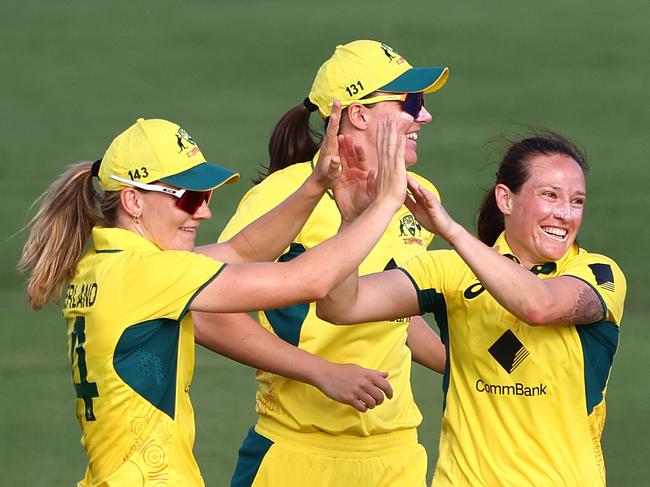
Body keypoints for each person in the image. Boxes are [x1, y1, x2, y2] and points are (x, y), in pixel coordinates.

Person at [17, 114, 409, 486]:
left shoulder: (106, 266)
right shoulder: (149, 276)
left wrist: (315, 185)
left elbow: (243, 250)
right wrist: (385, 204)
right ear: (133, 201)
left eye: (205, 195)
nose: (204, 212)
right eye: (188, 198)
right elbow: (311, 281)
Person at [317, 132, 627, 486]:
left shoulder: (599, 275)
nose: (564, 214)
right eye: (550, 196)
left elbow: (538, 305)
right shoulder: (450, 272)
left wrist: (451, 231)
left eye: (577, 201)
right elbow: (339, 306)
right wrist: (352, 222)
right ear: (505, 199)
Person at [209, 39, 449, 487]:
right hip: (298, 455)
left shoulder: (414, 197)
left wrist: (462, 365)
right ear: (358, 113)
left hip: (396, 456)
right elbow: (207, 313)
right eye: (410, 102)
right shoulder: (287, 195)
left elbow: (389, 308)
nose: (424, 115)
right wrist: (320, 372)